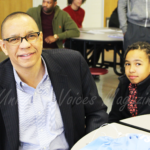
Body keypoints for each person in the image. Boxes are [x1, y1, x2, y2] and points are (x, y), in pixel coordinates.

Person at [0, 12, 108, 150]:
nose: (25, 44)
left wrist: (88, 147)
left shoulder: (72, 63)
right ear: (4, 47)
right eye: (14, 39)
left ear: (40, 38)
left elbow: (97, 113)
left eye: (31, 36)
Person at [109, 41, 150, 123]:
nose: (131, 70)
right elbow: (114, 116)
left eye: (138, 64)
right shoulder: (124, 83)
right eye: (127, 64)